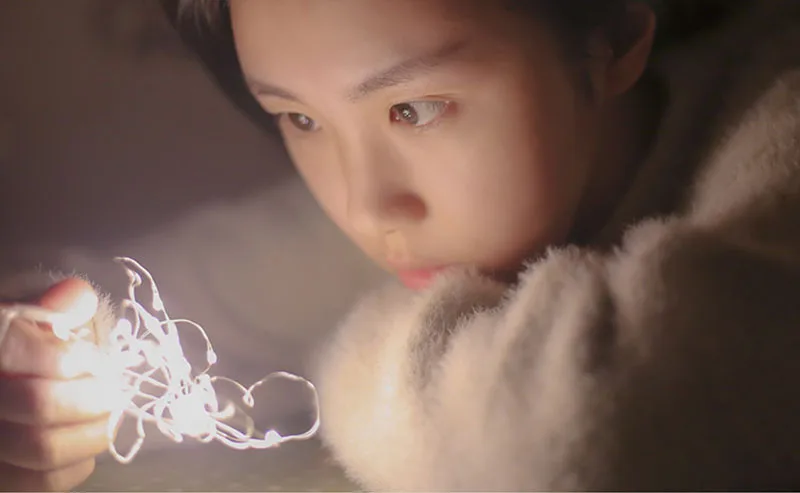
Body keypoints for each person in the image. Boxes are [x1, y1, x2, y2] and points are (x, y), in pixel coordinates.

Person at [3, 0, 800, 490]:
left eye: (414, 109)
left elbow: (602, 429)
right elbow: (128, 301)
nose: (363, 205)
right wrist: (34, 370)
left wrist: (361, 350)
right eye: (301, 118)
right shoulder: (414, 218)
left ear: (613, 35)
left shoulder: (776, 121)